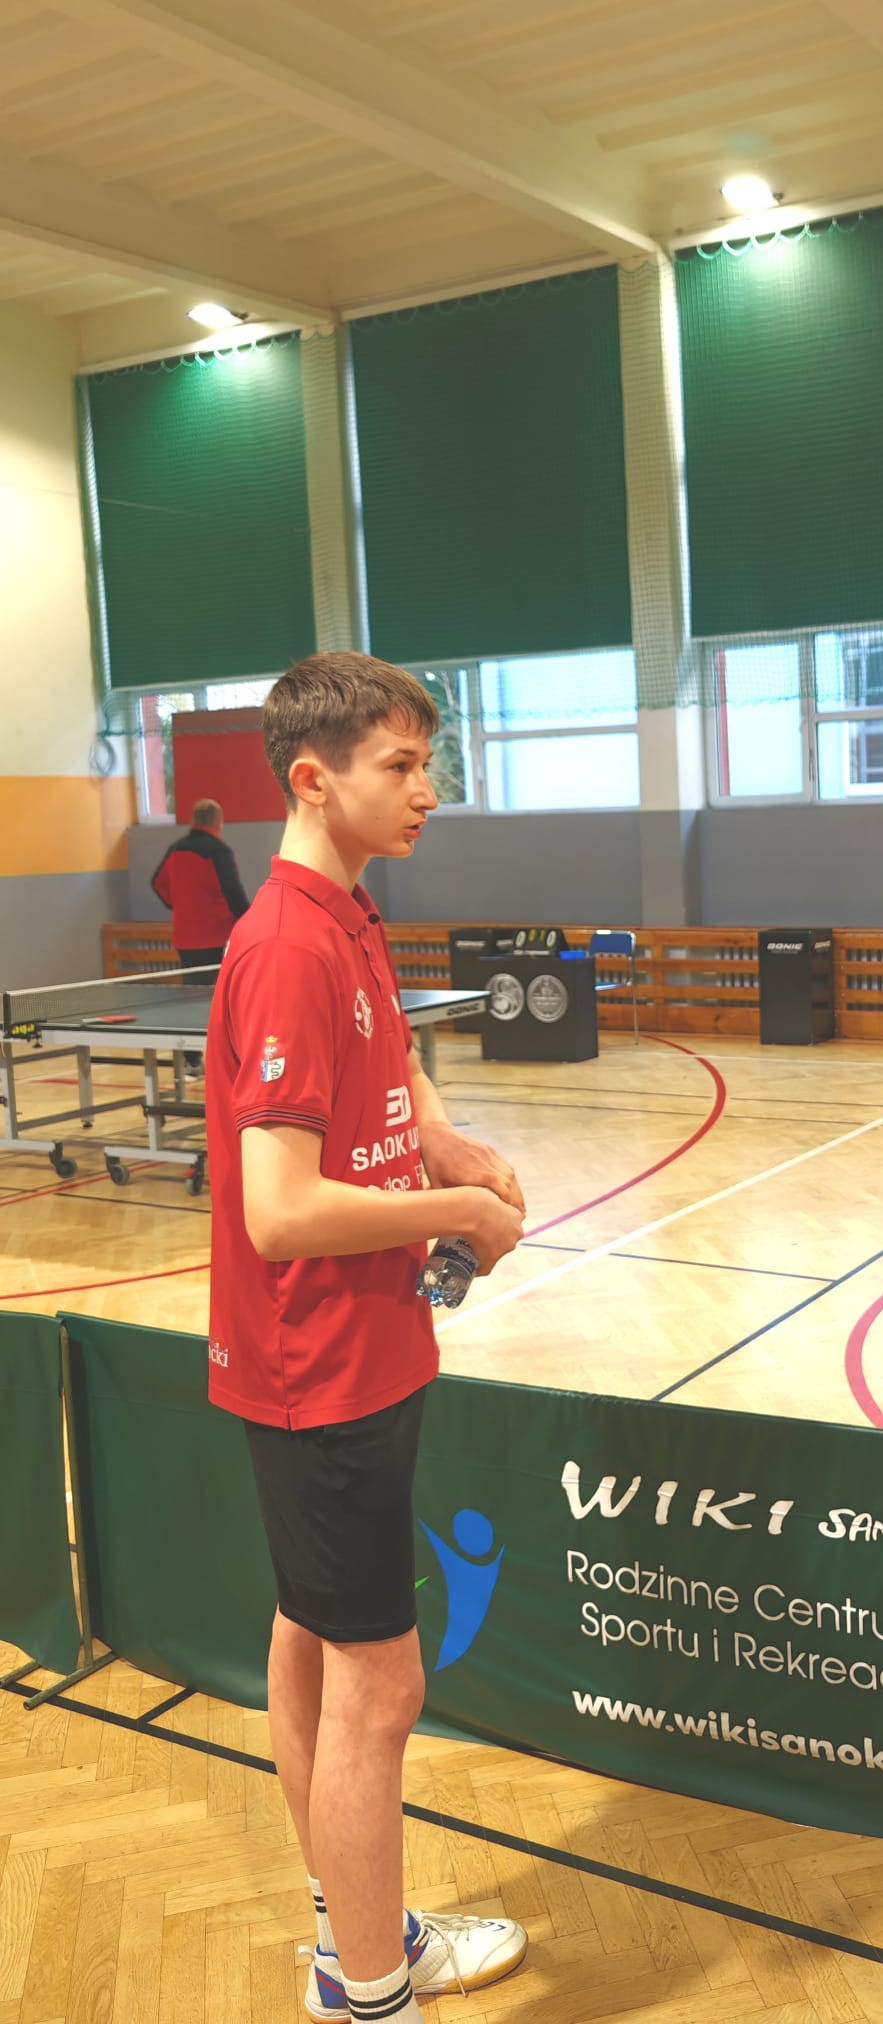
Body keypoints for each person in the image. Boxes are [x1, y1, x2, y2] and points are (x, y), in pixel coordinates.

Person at [203, 651, 531, 2024]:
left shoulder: (349, 916)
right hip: (320, 1373)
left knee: (312, 1642)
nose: (427, 789)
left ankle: (357, 1933)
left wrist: (437, 1136)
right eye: (401, 765)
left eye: (427, 762)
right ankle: (371, 1987)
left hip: (357, 1354)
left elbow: (381, 1071)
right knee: (381, 1690)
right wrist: (456, 1209)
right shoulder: (286, 944)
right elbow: (278, 1211)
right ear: (311, 778)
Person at [151, 796, 250, 976]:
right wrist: (248, 918)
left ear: (194, 821)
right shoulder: (219, 850)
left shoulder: (175, 849)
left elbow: (157, 883)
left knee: (192, 989)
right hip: (217, 937)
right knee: (219, 990)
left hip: (184, 939)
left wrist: (177, 904)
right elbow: (232, 891)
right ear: (219, 823)